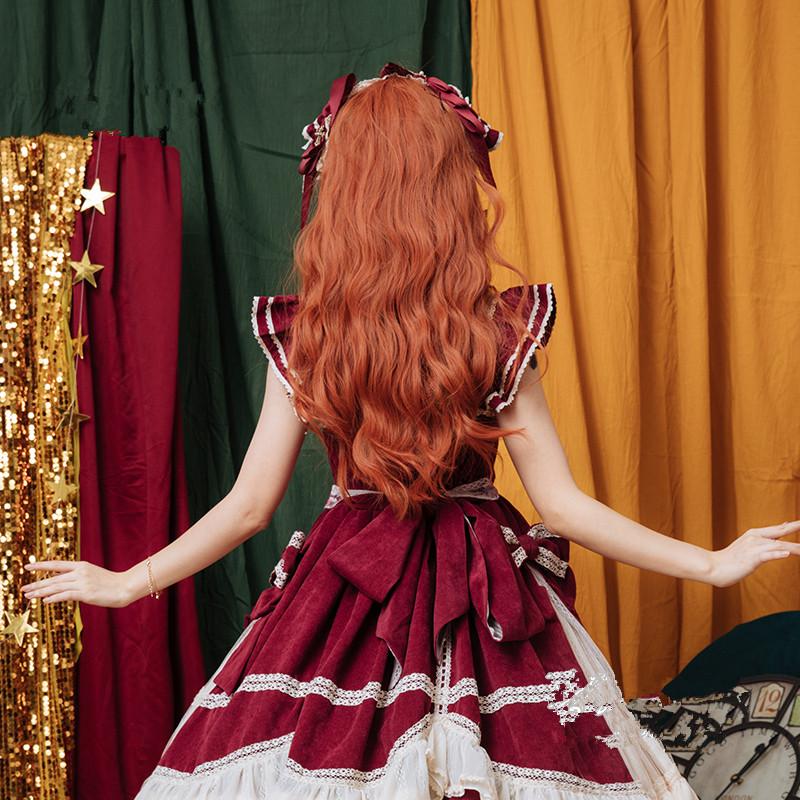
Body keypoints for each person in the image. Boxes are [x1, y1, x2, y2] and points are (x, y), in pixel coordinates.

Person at [22, 63, 800, 800]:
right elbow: (562, 507)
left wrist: (130, 581)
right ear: (445, 188)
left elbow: (250, 505)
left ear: (347, 191)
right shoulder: (490, 335)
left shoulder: (312, 338)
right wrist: (708, 563)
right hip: (479, 590)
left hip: (346, 592)